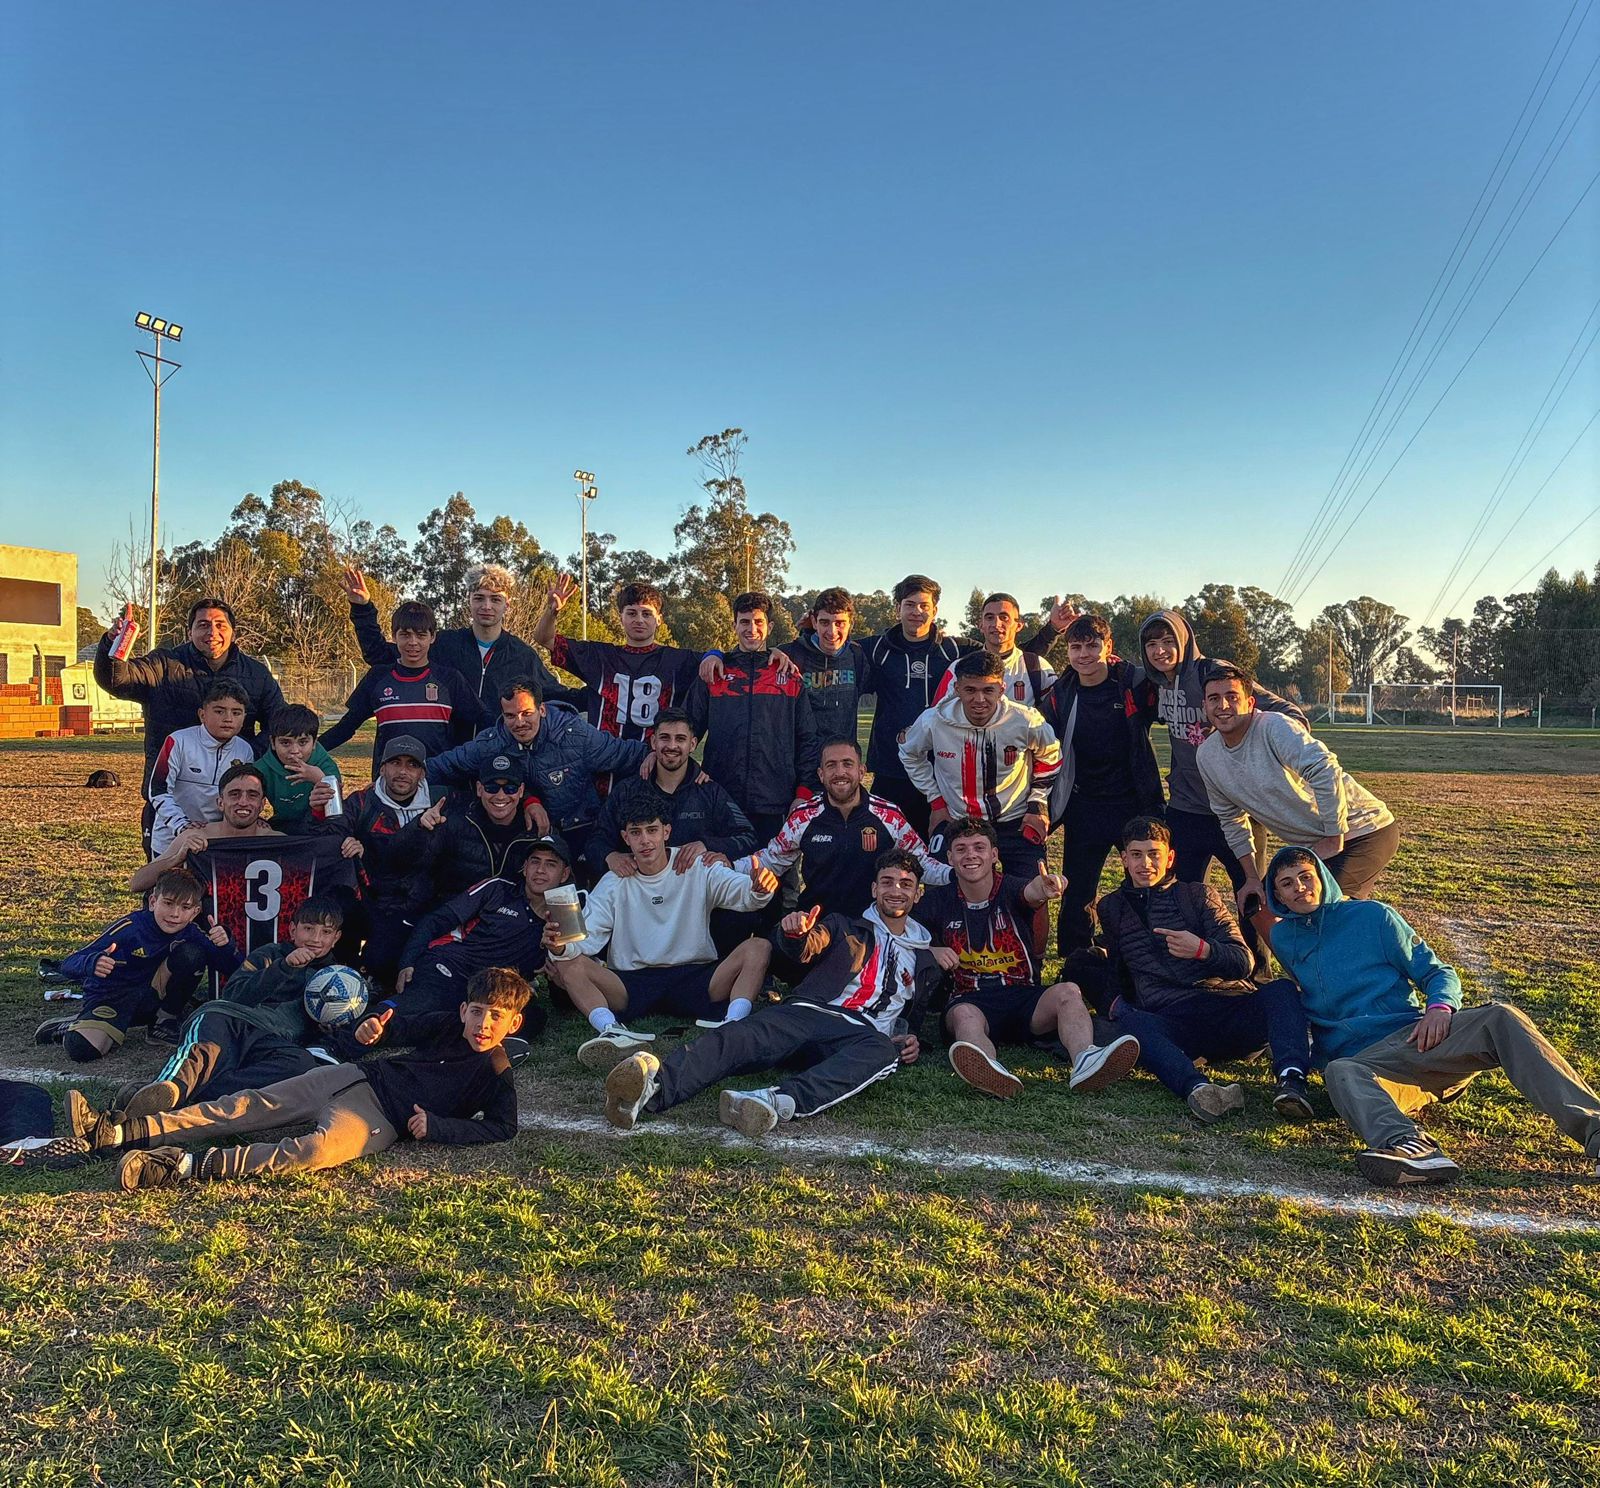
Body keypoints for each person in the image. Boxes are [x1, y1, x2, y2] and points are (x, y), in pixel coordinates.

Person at [1267, 846, 1600, 1186]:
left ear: (1322, 877)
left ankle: (1596, 1130)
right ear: (1277, 895)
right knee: (1341, 1071)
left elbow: (1437, 972)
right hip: (1370, 1070)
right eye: (1287, 883)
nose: (1300, 888)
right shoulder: (1282, 938)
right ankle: (1413, 1148)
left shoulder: (1374, 916)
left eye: (1306, 877)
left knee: (1501, 1016)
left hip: (1417, 1040)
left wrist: (1439, 1008)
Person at [73, 967, 531, 1191]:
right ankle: (123, 1132)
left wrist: (439, 1127)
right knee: (248, 1105)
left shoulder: (497, 1073)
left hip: (379, 1119)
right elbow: (400, 1028)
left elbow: (502, 1127)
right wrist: (375, 1028)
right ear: (463, 1010)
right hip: (352, 1075)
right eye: (477, 1012)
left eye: (497, 1016)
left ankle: (179, 1166)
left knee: (313, 1151)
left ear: (514, 1024)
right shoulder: (448, 1024)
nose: (483, 1024)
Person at [602, 851, 941, 1138]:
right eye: (887, 882)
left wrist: (909, 1037)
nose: (895, 890)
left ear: (918, 894)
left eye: (905, 884)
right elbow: (809, 946)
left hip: (861, 1034)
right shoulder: (845, 926)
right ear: (874, 888)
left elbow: (910, 1015)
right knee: (736, 1036)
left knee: (882, 1051)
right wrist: (796, 934)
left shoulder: (926, 956)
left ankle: (772, 1101)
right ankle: (653, 1087)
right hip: (809, 1011)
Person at [1096, 817, 1314, 1124]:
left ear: (1169, 857)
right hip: (1174, 1019)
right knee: (1132, 1024)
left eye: (1154, 854)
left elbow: (1243, 961)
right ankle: (1200, 1090)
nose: (1145, 864)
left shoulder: (1198, 895)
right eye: (1136, 855)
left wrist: (1203, 950)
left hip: (1226, 1006)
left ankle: (1292, 1081)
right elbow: (1118, 970)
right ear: (1124, 859)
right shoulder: (1110, 908)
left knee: (1281, 990)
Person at [914, 819, 1139, 1099]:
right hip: (971, 998)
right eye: (961, 849)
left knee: (1068, 991)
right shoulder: (937, 900)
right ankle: (990, 1069)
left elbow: (1031, 892)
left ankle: (1086, 1059)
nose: (970, 855)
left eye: (979, 847)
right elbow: (902, 938)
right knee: (963, 1016)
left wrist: (1045, 888)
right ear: (949, 857)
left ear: (994, 855)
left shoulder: (1010, 887)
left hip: (1023, 995)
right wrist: (932, 951)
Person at [546, 801, 779, 1068]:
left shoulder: (694, 865)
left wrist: (758, 888)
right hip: (632, 983)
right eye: (636, 832)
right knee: (568, 962)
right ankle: (611, 1032)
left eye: (652, 830)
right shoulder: (614, 880)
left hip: (695, 976)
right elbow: (587, 936)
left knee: (759, 947)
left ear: (666, 831)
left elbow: (740, 892)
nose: (645, 840)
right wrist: (560, 947)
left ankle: (734, 1026)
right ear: (625, 838)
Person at [1136, 611, 1307, 963]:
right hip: (1186, 809)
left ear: (1184, 641)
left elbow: (1285, 710)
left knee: (1252, 896)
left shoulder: (1211, 672)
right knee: (1184, 895)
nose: (1160, 650)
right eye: (1151, 644)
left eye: (1168, 641)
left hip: (1235, 810)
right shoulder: (1158, 684)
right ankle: (1193, 970)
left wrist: (1278, 749)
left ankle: (1260, 973)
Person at [100, 894, 349, 1120]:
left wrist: (329, 1028)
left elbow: (341, 1032)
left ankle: (189, 1095)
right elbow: (234, 995)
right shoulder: (271, 954)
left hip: (273, 1040)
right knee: (202, 1055)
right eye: (308, 929)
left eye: (326, 932)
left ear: (336, 938)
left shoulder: (342, 979)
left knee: (301, 1065)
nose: (316, 939)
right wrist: (283, 968)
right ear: (293, 930)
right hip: (229, 1019)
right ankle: (168, 1088)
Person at [1197, 664, 1400, 916]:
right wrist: (1251, 878)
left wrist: (1333, 836)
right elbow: (1230, 819)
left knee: (1326, 914)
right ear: (1204, 706)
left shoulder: (1274, 727)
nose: (1223, 705)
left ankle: (1387, 936)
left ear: (1250, 702)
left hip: (1364, 831)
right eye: (1214, 699)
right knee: (1262, 912)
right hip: (1316, 845)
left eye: (1232, 697)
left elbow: (1324, 770)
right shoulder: (1207, 755)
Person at [93, 595, 286, 848]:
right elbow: (117, 680)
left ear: (233, 632)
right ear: (189, 631)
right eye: (203, 625)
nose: (212, 632)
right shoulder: (163, 664)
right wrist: (113, 644)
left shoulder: (257, 675)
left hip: (229, 812)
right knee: (168, 872)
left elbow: (279, 724)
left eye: (220, 625)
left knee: (222, 873)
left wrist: (248, 752)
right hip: (170, 802)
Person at [1037, 613, 1166, 956]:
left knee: (1146, 882)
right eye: (1076, 647)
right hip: (1084, 806)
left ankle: (1149, 956)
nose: (1084, 655)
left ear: (1108, 646)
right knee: (1078, 892)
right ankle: (1075, 961)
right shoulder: (1061, 694)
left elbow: (1180, 699)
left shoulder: (1134, 683)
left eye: (1092, 646)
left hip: (1134, 804)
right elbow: (1034, 733)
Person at [426, 676, 650, 871]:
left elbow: (626, 754)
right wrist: (406, 778)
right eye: (510, 716)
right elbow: (444, 766)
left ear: (542, 710)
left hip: (581, 830)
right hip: (527, 840)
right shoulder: (492, 743)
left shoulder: (576, 736)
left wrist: (653, 755)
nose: (519, 723)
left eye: (527, 713)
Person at [34, 868, 240, 1061]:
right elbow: (69, 964)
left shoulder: (192, 933)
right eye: (168, 903)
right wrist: (92, 962)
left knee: (192, 954)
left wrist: (225, 945)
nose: (175, 914)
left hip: (151, 997)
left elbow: (232, 969)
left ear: (195, 912)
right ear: (153, 902)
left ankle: (164, 1022)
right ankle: (72, 1025)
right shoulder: (130, 927)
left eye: (185, 907)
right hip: (112, 999)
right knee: (82, 1049)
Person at [749, 736, 950, 921]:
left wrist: (954, 874)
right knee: (761, 945)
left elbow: (921, 862)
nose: (840, 772)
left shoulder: (889, 815)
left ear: (861, 771)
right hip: (816, 923)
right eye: (831, 765)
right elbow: (770, 859)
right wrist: (733, 867)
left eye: (847, 764)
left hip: (871, 926)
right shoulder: (803, 816)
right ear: (821, 774)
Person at [898, 650, 1061, 875]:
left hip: (1015, 820)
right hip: (959, 820)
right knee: (943, 887)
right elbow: (909, 754)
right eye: (970, 690)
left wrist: (1037, 803)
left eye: (988, 690)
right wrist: (936, 801)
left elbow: (1051, 756)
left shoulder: (1026, 720)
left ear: (1002, 689)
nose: (979, 699)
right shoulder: (933, 720)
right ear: (957, 689)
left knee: (1035, 889)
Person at [343, 562, 575, 710]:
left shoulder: (522, 655)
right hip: (448, 757)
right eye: (479, 598)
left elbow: (558, 695)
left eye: (495, 599)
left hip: (498, 759)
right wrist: (363, 609)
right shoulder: (443, 645)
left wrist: (596, 686)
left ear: (507, 605)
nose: (487, 606)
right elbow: (379, 655)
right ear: (469, 601)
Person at [685, 591, 820, 842]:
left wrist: (803, 792)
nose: (752, 629)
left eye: (758, 622)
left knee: (774, 867)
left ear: (770, 626)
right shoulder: (715, 672)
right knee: (722, 865)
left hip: (776, 800)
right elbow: (685, 730)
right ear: (734, 625)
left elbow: (807, 739)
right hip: (722, 797)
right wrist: (691, 774)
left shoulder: (789, 675)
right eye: (744, 622)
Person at [393, 839, 568, 1022]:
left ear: (564, 874)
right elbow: (436, 921)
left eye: (550, 864)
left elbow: (563, 1001)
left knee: (531, 1019)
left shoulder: (564, 918)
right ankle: (377, 1018)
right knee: (429, 1002)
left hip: (494, 990)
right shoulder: (498, 888)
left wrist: (558, 980)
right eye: (535, 861)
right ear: (525, 868)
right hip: (452, 965)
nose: (540, 870)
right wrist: (408, 961)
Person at [311, 734, 435, 990]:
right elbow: (331, 832)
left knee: (383, 963)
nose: (403, 772)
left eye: (412, 765)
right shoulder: (361, 801)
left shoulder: (438, 803)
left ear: (422, 773)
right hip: (369, 896)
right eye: (395, 763)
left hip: (414, 901)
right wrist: (346, 840)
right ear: (381, 768)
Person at [582, 708, 757, 882]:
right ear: (653, 742)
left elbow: (748, 838)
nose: (672, 746)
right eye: (665, 737)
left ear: (693, 744)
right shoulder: (627, 791)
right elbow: (595, 840)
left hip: (694, 890)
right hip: (640, 889)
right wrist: (610, 856)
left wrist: (707, 844)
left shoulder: (710, 792)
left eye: (680, 739)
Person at [320, 598, 485, 772]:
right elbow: (346, 727)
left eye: (421, 635)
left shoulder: (450, 679)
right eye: (405, 635)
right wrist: (311, 751)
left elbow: (483, 720)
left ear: (432, 637)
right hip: (390, 781)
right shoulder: (378, 678)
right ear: (394, 636)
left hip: (437, 780)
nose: (413, 642)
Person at [533, 575, 705, 741]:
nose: (639, 620)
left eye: (646, 614)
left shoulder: (678, 660)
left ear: (659, 620)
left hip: (656, 756)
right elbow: (545, 639)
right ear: (621, 617)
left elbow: (719, 662)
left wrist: (714, 655)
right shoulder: (600, 656)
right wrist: (552, 611)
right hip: (605, 755)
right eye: (632, 613)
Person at [857, 575, 965, 838]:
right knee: (886, 849)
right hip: (890, 769)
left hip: (940, 771)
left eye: (924, 605)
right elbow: (830, 650)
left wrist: (1051, 631)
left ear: (935, 610)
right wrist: (807, 634)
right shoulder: (875, 648)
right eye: (910, 604)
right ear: (898, 608)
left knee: (938, 851)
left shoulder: (954, 649)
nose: (917, 612)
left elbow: (1004, 652)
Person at [414, 754, 547, 898]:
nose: (500, 796)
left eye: (510, 788)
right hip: (457, 909)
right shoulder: (452, 823)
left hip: (516, 910)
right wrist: (419, 828)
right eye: (491, 788)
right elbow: (408, 863)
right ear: (479, 789)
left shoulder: (538, 828)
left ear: (521, 791)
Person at [146, 679, 256, 853]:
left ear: (244, 717)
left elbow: (244, 795)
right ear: (202, 714)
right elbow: (158, 790)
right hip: (171, 841)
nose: (228, 719)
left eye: (236, 713)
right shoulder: (178, 741)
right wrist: (182, 826)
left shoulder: (245, 750)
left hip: (217, 843)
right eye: (219, 711)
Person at [775, 587, 873, 741]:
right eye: (824, 622)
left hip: (843, 753)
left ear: (851, 624)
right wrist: (771, 651)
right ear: (814, 622)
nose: (832, 632)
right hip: (804, 753)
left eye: (840, 623)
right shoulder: (790, 654)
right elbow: (750, 660)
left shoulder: (857, 655)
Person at [934, 592, 1061, 708]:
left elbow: (1056, 715)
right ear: (981, 625)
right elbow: (936, 714)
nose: (996, 624)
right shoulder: (957, 669)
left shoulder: (1038, 668)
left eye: (1004, 617)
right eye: (989, 618)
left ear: (1018, 625)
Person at [256, 703, 343, 830]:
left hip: (319, 826)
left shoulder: (326, 765)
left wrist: (321, 779)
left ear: (314, 743)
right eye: (285, 743)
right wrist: (256, 820)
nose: (295, 751)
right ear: (273, 743)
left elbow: (336, 813)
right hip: (282, 826)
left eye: (302, 742)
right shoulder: (261, 769)